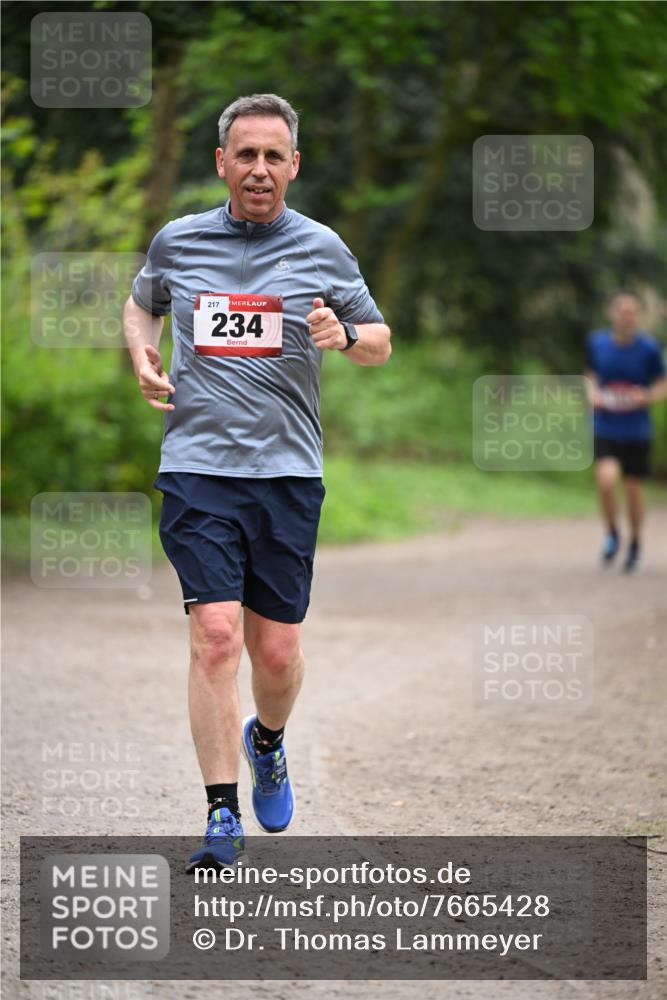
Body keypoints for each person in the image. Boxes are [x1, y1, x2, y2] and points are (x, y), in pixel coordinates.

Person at [123, 94, 391, 869]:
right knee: (215, 637)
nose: (260, 170)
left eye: (274, 156)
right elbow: (141, 305)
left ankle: (267, 741)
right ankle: (219, 814)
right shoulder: (179, 241)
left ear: (294, 165)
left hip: (286, 475)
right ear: (221, 163)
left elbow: (378, 340)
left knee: (275, 655)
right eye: (246, 154)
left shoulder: (323, 249)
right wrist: (142, 352)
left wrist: (344, 336)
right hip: (197, 470)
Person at [585, 290, 666, 572]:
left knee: (633, 489)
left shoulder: (649, 348)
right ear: (612, 313)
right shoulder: (597, 344)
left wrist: (647, 396)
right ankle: (612, 533)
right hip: (606, 424)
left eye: (632, 311)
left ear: (638, 316)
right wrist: (592, 392)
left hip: (637, 429)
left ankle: (635, 543)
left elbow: (662, 383)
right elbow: (590, 375)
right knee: (606, 481)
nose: (626, 316)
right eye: (622, 310)